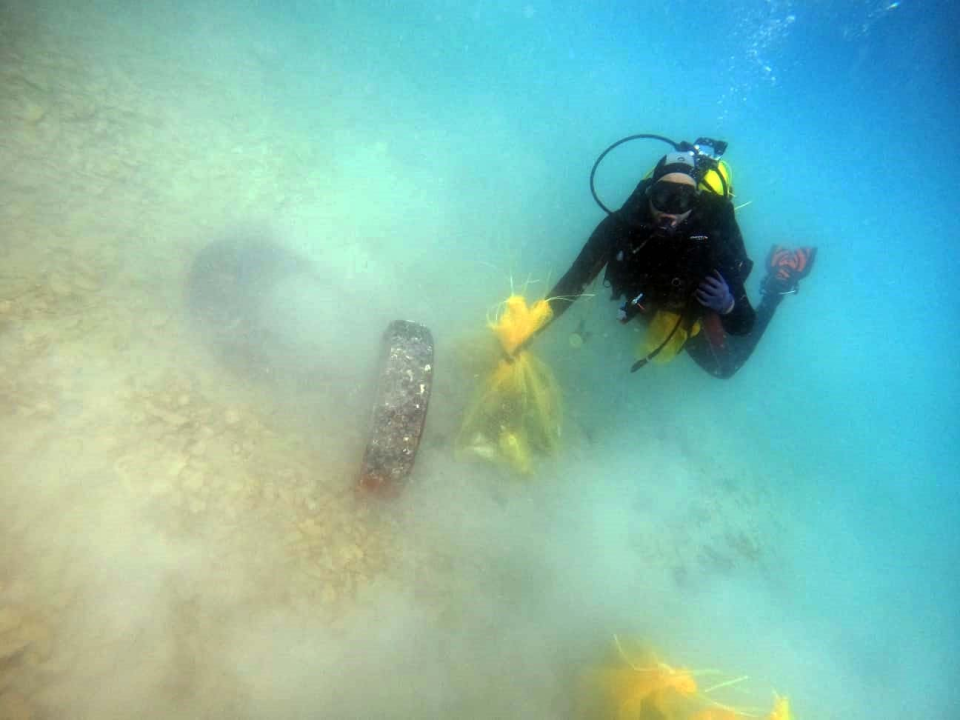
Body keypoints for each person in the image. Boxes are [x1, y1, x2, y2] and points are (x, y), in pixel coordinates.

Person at [543, 150, 816, 378]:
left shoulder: (711, 239)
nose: (670, 212)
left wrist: (728, 305)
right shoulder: (623, 223)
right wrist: (529, 329)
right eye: (663, 197)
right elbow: (572, 281)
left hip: (688, 308)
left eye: (683, 199)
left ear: (695, 202)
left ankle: (775, 289)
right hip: (648, 298)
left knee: (726, 368)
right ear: (649, 194)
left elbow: (743, 324)